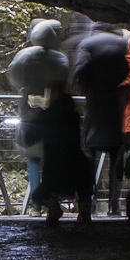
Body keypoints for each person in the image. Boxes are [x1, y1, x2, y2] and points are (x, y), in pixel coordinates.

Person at [5, 19, 68, 214]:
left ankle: (37, 205)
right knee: (53, 159)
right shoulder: (60, 58)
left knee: (33, 159)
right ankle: (53, 199)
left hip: (30, 113)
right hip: (54, 114)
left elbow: (14, 76)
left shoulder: (24, 56)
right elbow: (65, 82)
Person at [72, 22, 130, 219]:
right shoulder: (120, 44)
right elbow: (128, 69)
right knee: (116, 157)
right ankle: (114, 206)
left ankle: (88, 204)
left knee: (90, 157)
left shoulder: (88, 44)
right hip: (115, 108)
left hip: (95, 106)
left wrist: (89, 92)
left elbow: (80, 72)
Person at [35, 83, 93, 224]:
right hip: (77, 164)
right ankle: (85, 208)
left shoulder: (45, 116)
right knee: (85, 181)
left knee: (41, 193)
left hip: (54, 166)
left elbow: (32, 136)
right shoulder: (74, 117)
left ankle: (53, 207)